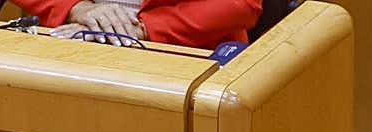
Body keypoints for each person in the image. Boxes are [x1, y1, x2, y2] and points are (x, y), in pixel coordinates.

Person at [17, 0, 261, 49]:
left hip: (184, 53)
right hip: (72, 38)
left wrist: (143, 28)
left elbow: (241, 4)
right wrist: (75, 7)